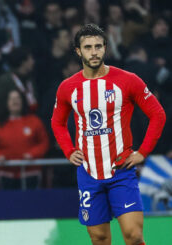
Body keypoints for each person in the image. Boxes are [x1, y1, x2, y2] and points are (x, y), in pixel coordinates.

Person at [51, 24, 166, 245]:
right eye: (87, 47)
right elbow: (57, 122)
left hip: (121, 171)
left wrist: (143, 152)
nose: (94, 52)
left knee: (133, 236)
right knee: (101, 239)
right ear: (78, 51)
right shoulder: (68, 87)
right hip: (88, 175)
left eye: (98, 46)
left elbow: (158, 114)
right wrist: (68, 149)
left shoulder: (127, 80)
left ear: (105, 48)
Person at [0, 89, 49, 189]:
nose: (15, 101)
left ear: (23, 101)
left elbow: (44, 143)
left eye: (18, 98)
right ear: (6, 103)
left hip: (30, 173)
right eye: (11, 99)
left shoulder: (34, 121)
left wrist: (32, 154)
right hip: (6, 174)